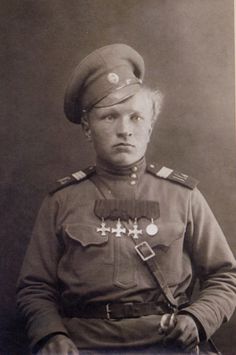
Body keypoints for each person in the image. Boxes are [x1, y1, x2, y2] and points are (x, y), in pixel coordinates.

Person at [17, 44, 236, 355]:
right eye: (109, 117)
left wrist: (197, 318)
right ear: (87, 127)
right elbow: (35, 287)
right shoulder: (62, 201)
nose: (124, 130)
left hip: (167, 345)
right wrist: (50, 335)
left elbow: (225, 275)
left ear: (150, 125)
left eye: (136, 117)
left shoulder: (183, 196)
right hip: (83, 346)